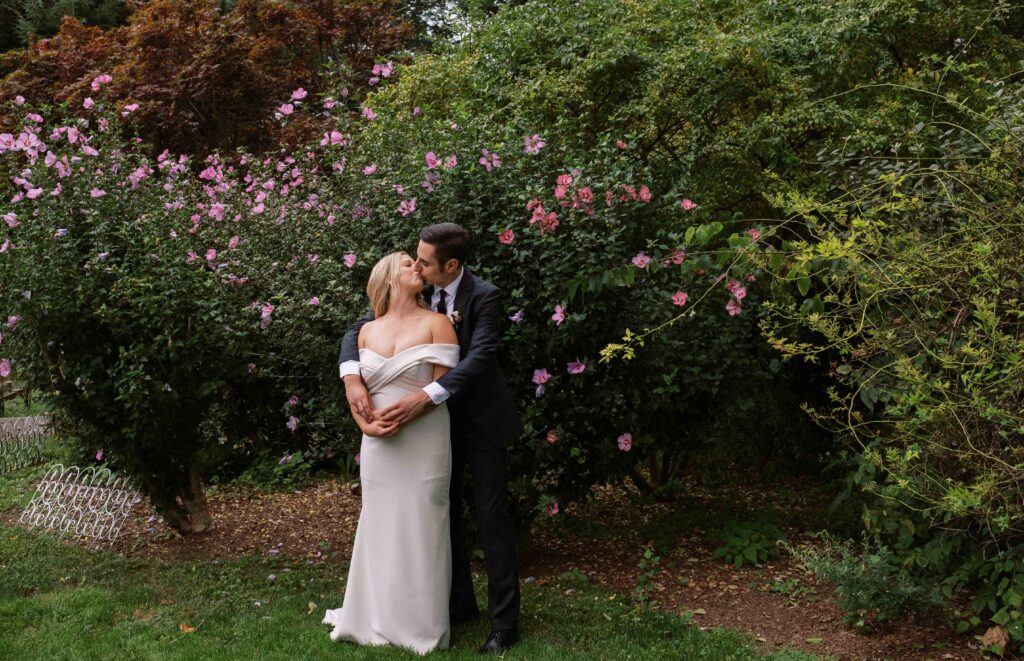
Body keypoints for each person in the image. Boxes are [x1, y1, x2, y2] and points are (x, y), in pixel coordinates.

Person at [338, 223, 523, 654]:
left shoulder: (484, 295)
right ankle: (456, 604)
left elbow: (479, 356)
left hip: (478, 420)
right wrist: (352, 379)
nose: (417, 265)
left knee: (491, 517)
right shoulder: (413, 296)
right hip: (430, 423)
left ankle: (504, 625)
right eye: (414, 260)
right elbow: (358, 330)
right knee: (441, 517)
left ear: (450, 265)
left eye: (423, 261)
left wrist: (426, 396)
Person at [323, 251, 460, 655]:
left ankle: (422, 625)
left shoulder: (438, 324)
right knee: (379, 522)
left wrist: (407, 413)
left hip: (426, 437)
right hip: (379, 445)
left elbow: (444, 386)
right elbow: (358, 391)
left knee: (424, 523)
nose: (417, 266)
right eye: (407, 263)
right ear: (386, 278)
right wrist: (365, 425)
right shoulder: (365, 333)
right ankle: (374, 614)